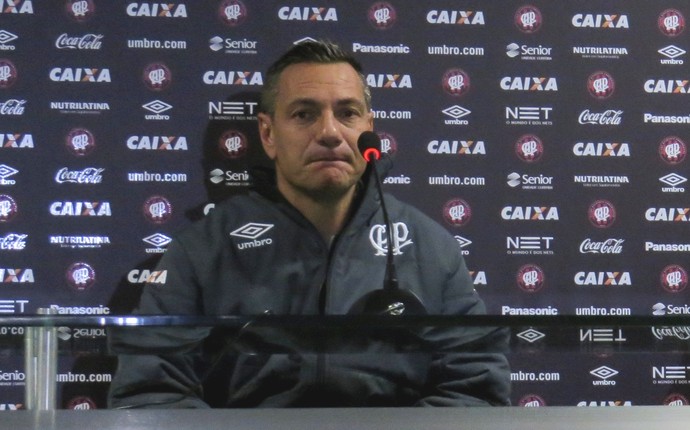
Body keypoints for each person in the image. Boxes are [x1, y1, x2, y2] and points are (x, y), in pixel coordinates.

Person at [108, 40, 511, 408]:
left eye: (347, 113)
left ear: (368, 128)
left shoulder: (429, 246)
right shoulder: (202, 250)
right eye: (305, 114)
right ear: (267, 134)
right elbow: (152, 394)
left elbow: (476, 387)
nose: (330, 133)